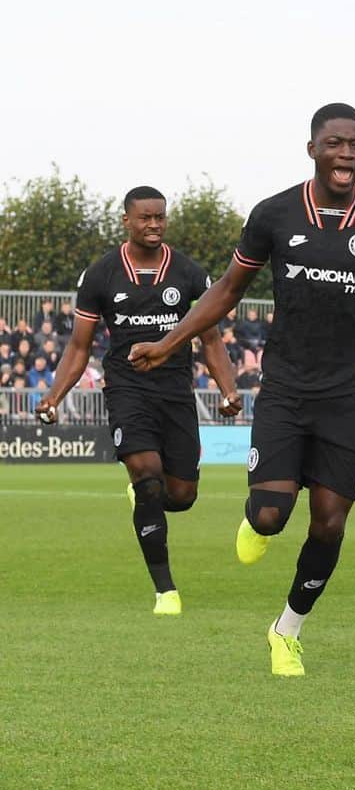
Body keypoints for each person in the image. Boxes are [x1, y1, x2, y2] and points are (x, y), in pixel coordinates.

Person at [129, 103, 355, 676]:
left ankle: (287, 630)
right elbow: (229, 290)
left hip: (348, 395)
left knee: (329, 521)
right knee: (273, 516)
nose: (348, 154)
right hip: (284, 391)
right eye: (336, 143)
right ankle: (254, 519)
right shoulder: (273, 214)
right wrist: (168, 341)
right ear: (312, 149)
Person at [36, 186, 242, 616]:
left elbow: (209, 338)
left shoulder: (187, 272)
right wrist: (54, 395)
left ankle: (145, 496)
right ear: (126, 220)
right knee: (147, 477)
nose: (154, 225)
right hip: (127, 389)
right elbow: (79, 348)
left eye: (160, 217)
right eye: (145, 218)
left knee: (181, 495)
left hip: (175, 393)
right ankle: (165, 591)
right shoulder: (101, 275)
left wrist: (228, 388)